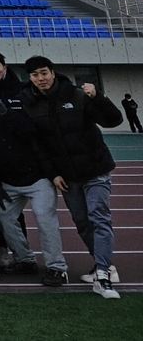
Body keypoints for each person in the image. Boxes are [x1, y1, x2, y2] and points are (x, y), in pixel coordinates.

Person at [22, 56, 123, 299]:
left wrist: (97, 96)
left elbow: (113, 120)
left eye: (44, 73)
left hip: (95, 170)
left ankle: (101, 274)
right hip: (67, 177)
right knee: (82, 222)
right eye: (35, 75)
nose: (40, 78)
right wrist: (53, 173)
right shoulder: (31, 104)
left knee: (99, 217)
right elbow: (39, 146)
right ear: (30, 79)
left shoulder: (77, 95)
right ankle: (105, 266)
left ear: (53, 73)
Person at [0, 82, 68, 286]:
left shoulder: (2, 113)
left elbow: (29, 132)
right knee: (3, 217)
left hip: (36, 177)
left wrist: (7, 114)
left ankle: (57, 268)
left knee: (44, 218)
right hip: (8, 182)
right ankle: (25, 260)